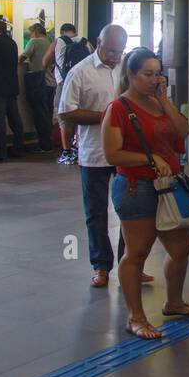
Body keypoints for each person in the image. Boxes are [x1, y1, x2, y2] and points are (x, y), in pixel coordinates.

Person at [101, 48, 189, 339]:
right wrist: (148, 160)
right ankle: (135, 317)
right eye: (147, 74)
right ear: (131, 75)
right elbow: (112, 153)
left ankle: (174, 302)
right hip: (136, 187)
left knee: (182, 246)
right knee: (137, 252)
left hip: (168, 187)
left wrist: (164, 101)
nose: (153, 79)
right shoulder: (119, 108)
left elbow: (182, 132)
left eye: (157, 73)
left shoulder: (159, 103)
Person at [59, 24, 140, 289]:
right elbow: (66, 113)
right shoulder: (80, 72)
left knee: (129, 210)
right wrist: (106, 117)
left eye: (121, 51)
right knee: (96, 213)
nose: (116, 57)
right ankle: (101, 267)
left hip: (124, 153)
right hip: (94, 153)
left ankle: (130, 263)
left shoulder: (125, 70)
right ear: (99, 43)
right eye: (112, 51)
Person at [0, 19, 26, 159]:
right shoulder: (12, 43)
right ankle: (19, 148)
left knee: (0, 121)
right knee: (15, 119)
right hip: (12, 86)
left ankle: (1, 152)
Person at [54, 24, 91, 166]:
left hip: (63, 83)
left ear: (62, 31)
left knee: (64, 117)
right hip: (84, 82)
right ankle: (78, 148)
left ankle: (66, 152)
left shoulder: (59, 41)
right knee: (80, 114)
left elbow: (45, 61)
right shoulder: (85, 41)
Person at [21, 23, 57, 153]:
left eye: (31, 33)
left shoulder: (34, 42)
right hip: (51, 83)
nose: (31, 35)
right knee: (47, 113)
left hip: (38, 83)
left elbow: (22, 57)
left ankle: (44, 145)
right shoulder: (50, 43)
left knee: (39, 115)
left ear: (35, 32)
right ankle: (48, 143)